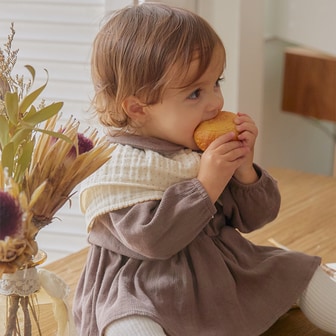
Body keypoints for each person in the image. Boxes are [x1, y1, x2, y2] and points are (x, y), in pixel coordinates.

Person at [73, 3, 336, 336]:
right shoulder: (116, 168)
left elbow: (257, 219)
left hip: (218, 269)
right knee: (130, 323)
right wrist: (205, 186)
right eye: (195, 92)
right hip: (142, 283)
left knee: (300, 270)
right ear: (138, 108)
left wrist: (243, 171)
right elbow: (153, 242)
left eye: (216, 83)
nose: (215, 102)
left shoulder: (198, 147)